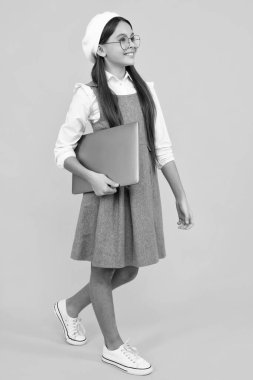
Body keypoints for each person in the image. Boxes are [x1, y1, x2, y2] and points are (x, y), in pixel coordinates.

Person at [53, 11, 194, 376]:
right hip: (107, 196)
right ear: (101, 49)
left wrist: (180, 195)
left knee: (129, 268)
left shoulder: (146, 88)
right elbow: (62, 150)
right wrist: (92, 178)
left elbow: (162, 149)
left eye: (134, 37)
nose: (131, 44)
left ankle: (70, 307)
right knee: (103, 273)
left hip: (140, 193)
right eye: (122, 39)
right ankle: (113, 347)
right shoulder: (89, 95)